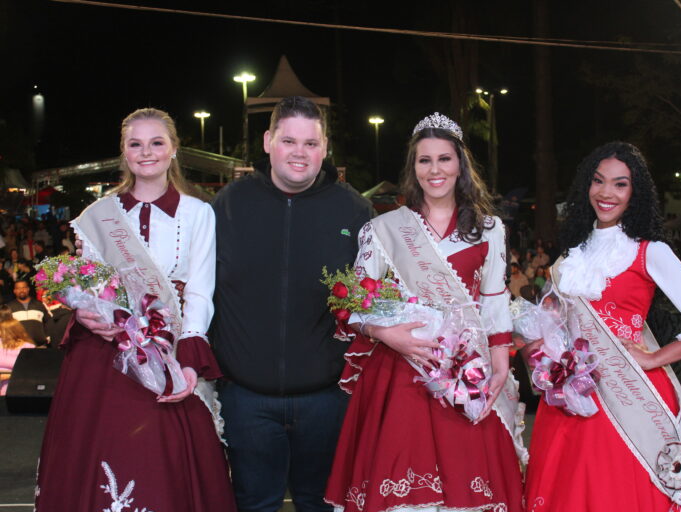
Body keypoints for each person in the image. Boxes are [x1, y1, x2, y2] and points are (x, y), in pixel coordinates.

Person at [519, 141, 681, 512]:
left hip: (630, 395)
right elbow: (551, 318)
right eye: (599, 181)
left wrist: (655, 359)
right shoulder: (574, 251)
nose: (606, 193)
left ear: (635, 192)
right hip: (573, 397)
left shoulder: (649, 249)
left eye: (620, 184)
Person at [35, 108, 237, 512]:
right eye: (136, 144)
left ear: (174, 149)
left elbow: (200, 291)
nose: (147, 152)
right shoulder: (97, 216)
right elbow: (93, 284)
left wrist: (190, 360)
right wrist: (88, 316)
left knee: (165, 467)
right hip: (105, 357)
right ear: (124, 154)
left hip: (171, 352)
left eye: (157, 142)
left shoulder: (200, 213)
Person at [325, 113, 527, 512]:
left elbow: (494, 301)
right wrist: (387, 335)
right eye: (424, 160)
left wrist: (500, 362)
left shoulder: (490, 229)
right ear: (413, 168)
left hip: (467, 369)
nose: (435, 169)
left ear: (461, 165)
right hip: (402, 370)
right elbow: (357, 305)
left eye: (444, 159)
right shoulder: (382, 229)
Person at [212, 96, 373, 512]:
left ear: (325, 148)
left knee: (322, 505)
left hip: (327, 399)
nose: (300, 153)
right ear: (267, 142)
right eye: (288, 140)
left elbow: (375, 299)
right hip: (245, 399)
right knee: (253, 504)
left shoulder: (355, 210)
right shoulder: (227, 205)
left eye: (311, 143)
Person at [0, 306, 36, 396]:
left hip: (15, 386)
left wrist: (7, 376)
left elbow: (30, 372)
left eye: (1, 331)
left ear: (11, 332)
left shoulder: (28, 348)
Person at [7, 279, 50, 347]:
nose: (21, 290)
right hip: (18, 347)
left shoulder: (39, 305)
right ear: (14, 291)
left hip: (40, 346)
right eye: (18, 288)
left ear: (28, 289)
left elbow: (49, 322)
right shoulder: (9, 307)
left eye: (24, 288)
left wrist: (47, 336)